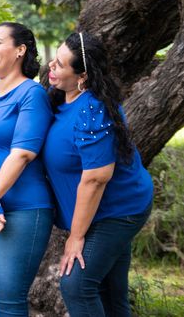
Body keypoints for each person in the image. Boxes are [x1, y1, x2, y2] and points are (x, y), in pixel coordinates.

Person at [42, 32, 153, 316]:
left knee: (76, 285)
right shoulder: (61, 98)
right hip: (98, 212)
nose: (51, 66)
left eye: (61, 65)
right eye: (54, 59)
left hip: (118, 210)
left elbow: (96, 177)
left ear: (83, 77)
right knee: (110, 292)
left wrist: (76, 237)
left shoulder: (92, 109)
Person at [0, 22, 55, 316]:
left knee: (7, 294)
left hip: (22, 208)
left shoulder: (32, 94)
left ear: (20, 50)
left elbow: (22, 154)